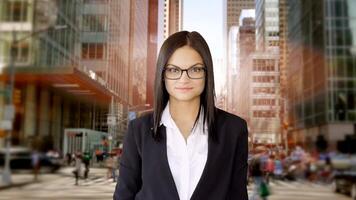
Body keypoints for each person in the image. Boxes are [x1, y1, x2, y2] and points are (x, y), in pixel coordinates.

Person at [113, 31, 248, 200]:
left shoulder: (234, 129)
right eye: (173, 70)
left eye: (196, 69)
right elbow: (124, 195)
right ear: (162, 75)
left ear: (207, 73)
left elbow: (238, 195)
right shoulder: (138, 130)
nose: (184, 79)